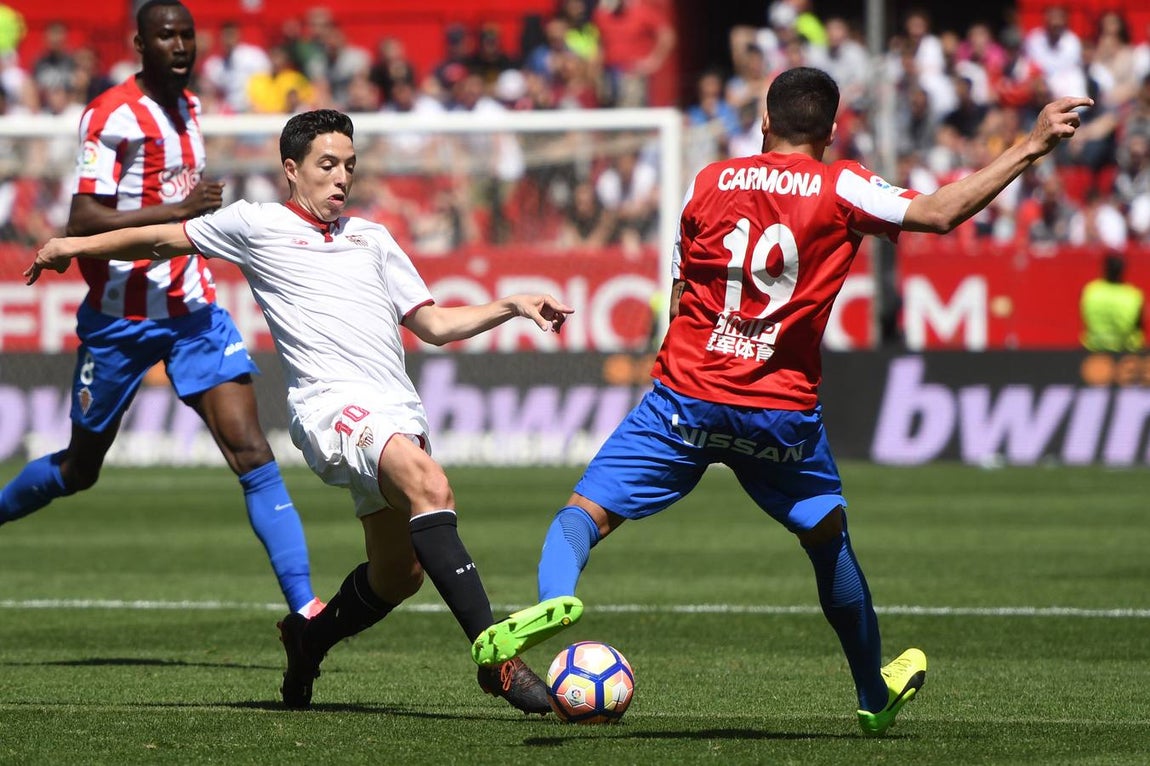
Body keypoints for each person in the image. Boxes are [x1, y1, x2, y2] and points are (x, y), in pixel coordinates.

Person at [471, 67, 1092, 736]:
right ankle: (870, 693)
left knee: (581, 517)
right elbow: (939, 213)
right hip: (779, 413)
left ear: (764, 123)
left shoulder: (709, 181)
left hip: (687, 395)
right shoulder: (843, 183)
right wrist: (1030, 145)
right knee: (829, 544)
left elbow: (681, 299)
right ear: (829, 130)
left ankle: (558, 597)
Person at [26, 108, 575, 715]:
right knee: (431, 485)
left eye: (349, 166)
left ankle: (308, 637)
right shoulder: (254, 224)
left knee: (399, 575)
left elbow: (436, 325)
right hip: (330, 408)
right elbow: (160, 237)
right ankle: (495, 658)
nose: (341, 178)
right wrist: (70, 246)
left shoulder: (374, 238)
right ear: (292, 170)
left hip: (396, 410)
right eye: (327, 165)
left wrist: (513, 304)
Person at [0, 0, 321, 619]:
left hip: (192, 311)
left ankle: (306, 611)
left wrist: (188, 219)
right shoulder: (110, 114)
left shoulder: (192, 107)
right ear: (140, 44)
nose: (180, 45)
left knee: (252, 452)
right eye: (166, 36)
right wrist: (178, 212)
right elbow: (83, 220)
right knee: (78, 469)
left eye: (187, 35)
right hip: (119, 320)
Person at [1080, 251, 1145, 352]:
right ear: (1123, 270)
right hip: (1126, 352)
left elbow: (1085, 320)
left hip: (1094, 350)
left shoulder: (1091, 291)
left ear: (1104, 268)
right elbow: (1139, 327)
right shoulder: (1133, 295)